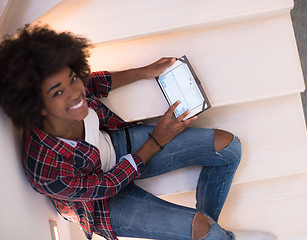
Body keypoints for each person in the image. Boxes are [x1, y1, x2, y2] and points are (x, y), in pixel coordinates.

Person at [0, 25, 276, 240]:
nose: (75, 93)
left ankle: (209, 232)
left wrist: (144, 71)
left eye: (72, 78)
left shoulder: (75, 90)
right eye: (58, 92)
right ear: (38, 106)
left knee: (228, 147)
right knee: (208, 233)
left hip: (118, 148)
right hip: (103, 204)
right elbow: (105, 186)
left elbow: (92, 81)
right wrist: (157, 139)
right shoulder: (44, 168)